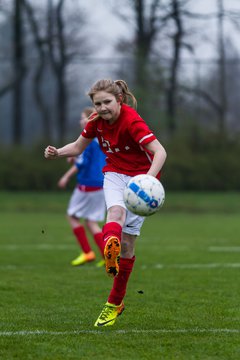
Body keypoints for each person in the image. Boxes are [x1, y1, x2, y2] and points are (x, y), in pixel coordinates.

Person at [44, 79, 167, 327]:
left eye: (107, 102)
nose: (102, 108)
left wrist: (146, 182)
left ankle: (115, 302)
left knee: (128, 246)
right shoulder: (96, 122)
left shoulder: (132, 121)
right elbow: (78, 147)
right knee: (115, 212)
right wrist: (57, 152)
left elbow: (160, 152)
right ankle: (108, 246)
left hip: (140, 180)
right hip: (114, 174)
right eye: (97, 104)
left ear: (119, 100)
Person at [57, 107, 106, 267]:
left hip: (87, 184)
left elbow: (82, 162)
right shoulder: (100, 138)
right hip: (101, 184)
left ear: (89, 120)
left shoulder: (89, 139)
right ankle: (107, 258)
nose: (80, 121)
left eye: (82, 118)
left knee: (72, 216)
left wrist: (67, 172)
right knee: (91, 221)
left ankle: (87, 252)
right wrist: (74, 160)